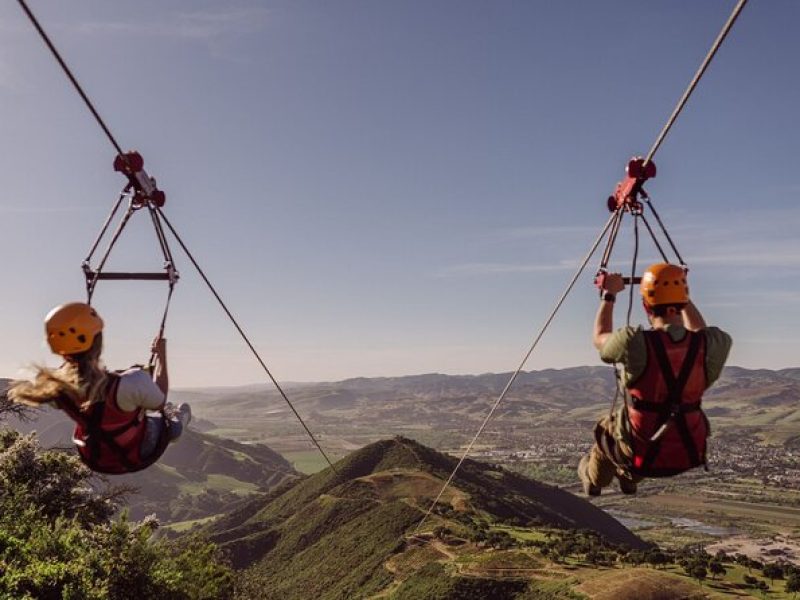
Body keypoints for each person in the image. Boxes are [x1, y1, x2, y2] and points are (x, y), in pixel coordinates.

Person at [578, 263, 732, 496]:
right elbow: (701, 331)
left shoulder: (636, 343)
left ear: (645, 305)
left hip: (639, 450)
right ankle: (629, 479)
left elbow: (600, 339)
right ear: (683, 301)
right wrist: (682, 294)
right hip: (687, 450)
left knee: (605, 430)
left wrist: (609, 295)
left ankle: (593, 480)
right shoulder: (713, 345)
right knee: (643, 435)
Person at [8, 302, 191, 474]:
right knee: (172, 428)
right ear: (99, 341)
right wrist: (161, 355)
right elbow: (159, 400)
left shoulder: (57, 387)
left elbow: (88, 382)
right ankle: (179, 417)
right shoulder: (131, 382)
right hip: (134, 452)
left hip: (93, 455)